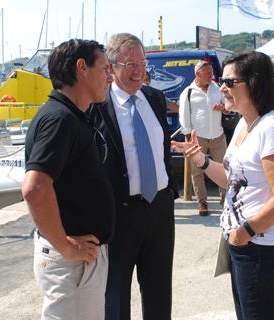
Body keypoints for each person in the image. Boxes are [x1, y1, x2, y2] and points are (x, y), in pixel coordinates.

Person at [173, 51, 274, 319]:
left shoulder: (272, 126)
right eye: (222, 80)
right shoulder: (245, 123)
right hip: (246, 244)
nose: (222, 88)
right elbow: (233, 180)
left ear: (254, 83)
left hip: (262, 247)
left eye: (229, 82)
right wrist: (201, 160)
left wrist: (244, 233)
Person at [22, 39, 115, 320]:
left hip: (80, 262)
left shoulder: (75, 116)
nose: (110, 76)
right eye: (105, 68)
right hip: (72, 264)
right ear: (81, 68)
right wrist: (65, 245)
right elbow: (35, 188)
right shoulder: (60, 119)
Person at [90, 33, 179, 320]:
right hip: (120, 213)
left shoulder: (154, 98)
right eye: (130, 63)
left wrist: (168, 194)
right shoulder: (97, 106)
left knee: (159, 290)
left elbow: (161, 148)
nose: (139, 70)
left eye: (142, 62)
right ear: (111, 67)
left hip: (160, 209)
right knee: (115, 294)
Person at [178, 60, 227, 216]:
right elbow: (184, 116)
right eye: (207, 73)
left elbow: (228, 106)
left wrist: (223, 108)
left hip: (218, 136)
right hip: (198, 137)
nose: (211, 76)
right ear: (197, 74)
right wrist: (188, 138)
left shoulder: (217, 88)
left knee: (226, 169)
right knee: (197, 172)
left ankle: (226, 201)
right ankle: (202, 203)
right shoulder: (188, 92)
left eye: (211, 73)